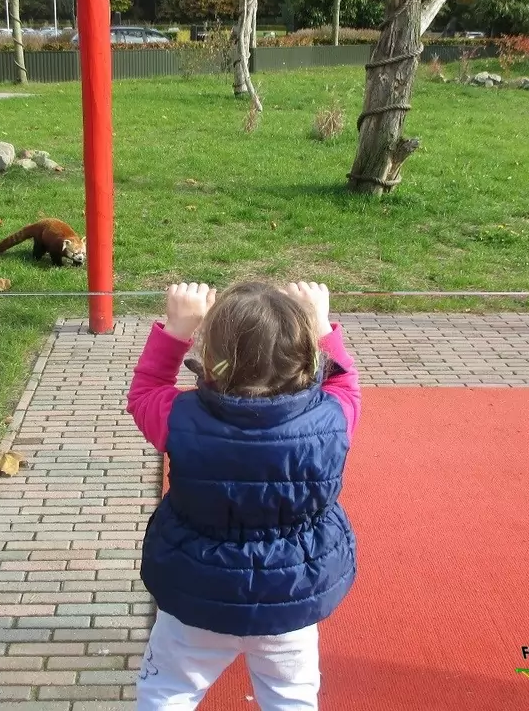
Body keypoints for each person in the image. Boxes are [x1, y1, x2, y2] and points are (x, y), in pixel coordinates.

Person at [126, 280, 363, 711]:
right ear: (306, 357)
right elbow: (347, 386)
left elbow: (144, 392)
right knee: (291, 698)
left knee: (167, 692)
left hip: (197, 589)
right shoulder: (332, 420)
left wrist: (176, 332)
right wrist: (323, 325)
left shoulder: (180, 419)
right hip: (289, 596)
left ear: (212, 361)